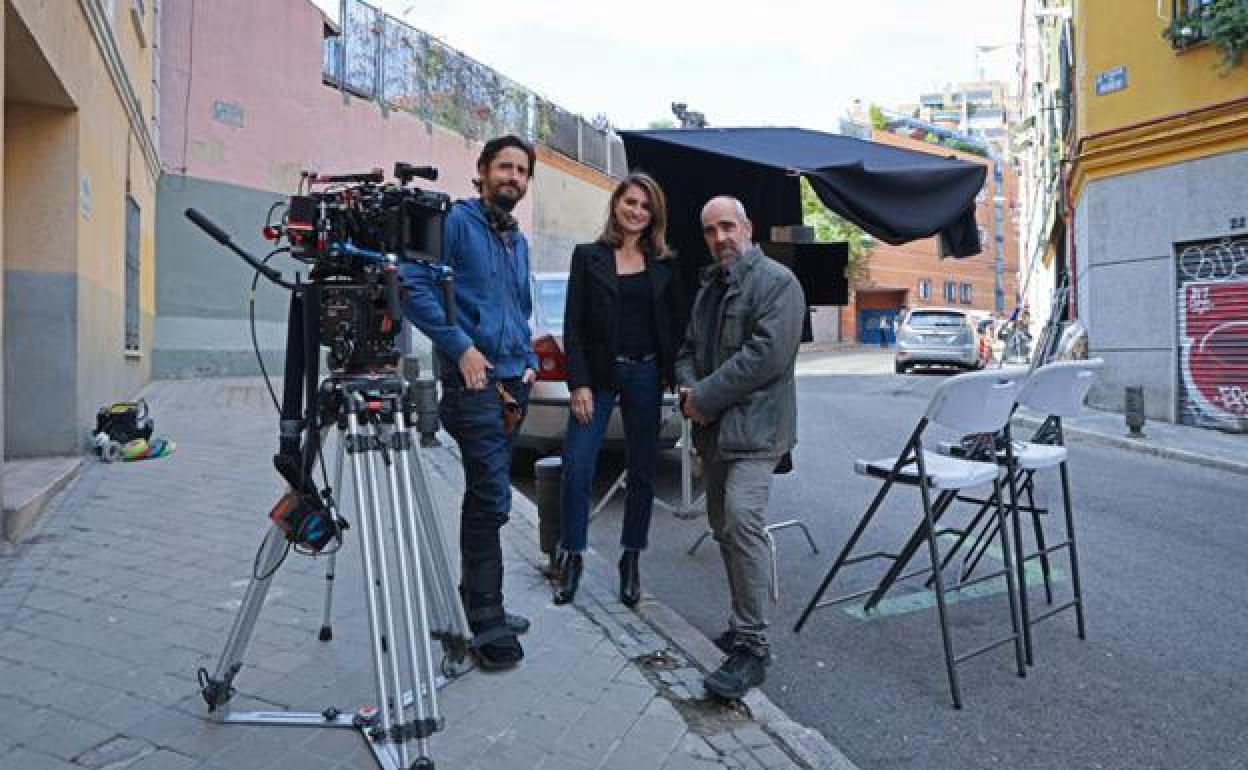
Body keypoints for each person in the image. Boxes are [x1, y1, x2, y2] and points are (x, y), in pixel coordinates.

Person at [401, 135, 538, 671]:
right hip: (472, 385)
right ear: (482, 171)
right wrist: (460, 347)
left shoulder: (516, 239)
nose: (514, 177)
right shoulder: (456, 222)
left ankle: (481, 598)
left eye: (522, 171)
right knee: (492, 496)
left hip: (511, 383)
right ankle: (485, 619)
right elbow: (412, 284)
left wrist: (526, 355)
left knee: (487, 495)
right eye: (504, 167)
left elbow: (518, 304)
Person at [675, 196, 806, 699]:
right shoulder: (710, 287)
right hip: (713, 430)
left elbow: (765, 358)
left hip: (757, 432)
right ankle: (741, 622)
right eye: (710, 230)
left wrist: (704, 396)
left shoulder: (778, 283)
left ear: (747, 227)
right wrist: (690, 394)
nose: (720, 237)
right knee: (723, 529)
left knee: (741, 520)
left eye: (727, 226)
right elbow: (687, 351)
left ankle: (752, 648)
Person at [553, 173, 685, 607]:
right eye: (630, 202)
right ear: (616, 205)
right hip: (599, 377)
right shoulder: (588, 256)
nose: (636, 212)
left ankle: (631, 559)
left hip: (646, 375)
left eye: (645, 207)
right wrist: (580, 384)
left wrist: (678, 378)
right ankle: (571, 555)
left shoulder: (664, 263)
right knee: (577, 465)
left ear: (654, 215)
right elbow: (572, 325)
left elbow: (675, 325)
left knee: (643, 472)